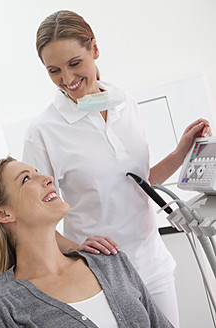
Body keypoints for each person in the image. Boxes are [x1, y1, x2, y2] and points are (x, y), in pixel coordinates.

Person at [22, 10, 212, 327]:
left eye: (74, 63)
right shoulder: (43, 131)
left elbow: (139, 182)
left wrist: (181, 153)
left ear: (94, 49)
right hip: (101, 274)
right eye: (53, 70)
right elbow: (33, 220)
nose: (67, 80)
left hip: (153, 262)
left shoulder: (127, 104)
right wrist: (75, 247)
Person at [0, 157, 173, 327]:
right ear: (3, 213)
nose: (48, 178)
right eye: (26, 179)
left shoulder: (109, 260)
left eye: (38, 172)